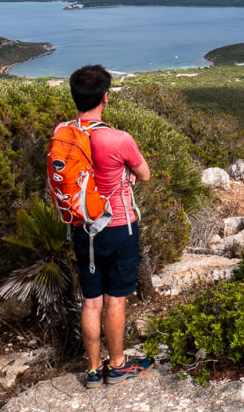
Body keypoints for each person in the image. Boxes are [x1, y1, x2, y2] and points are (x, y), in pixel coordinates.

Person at [66, 64, 154, 388]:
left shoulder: (65, 135)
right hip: (118, 227)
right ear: (105, 97)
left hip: (82, 228)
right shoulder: (119, 138)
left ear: (75, 96)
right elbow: (144, 174)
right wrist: (126, 172)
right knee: (115, 300)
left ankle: (92, 370)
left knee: (91, 301)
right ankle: (117, 365)